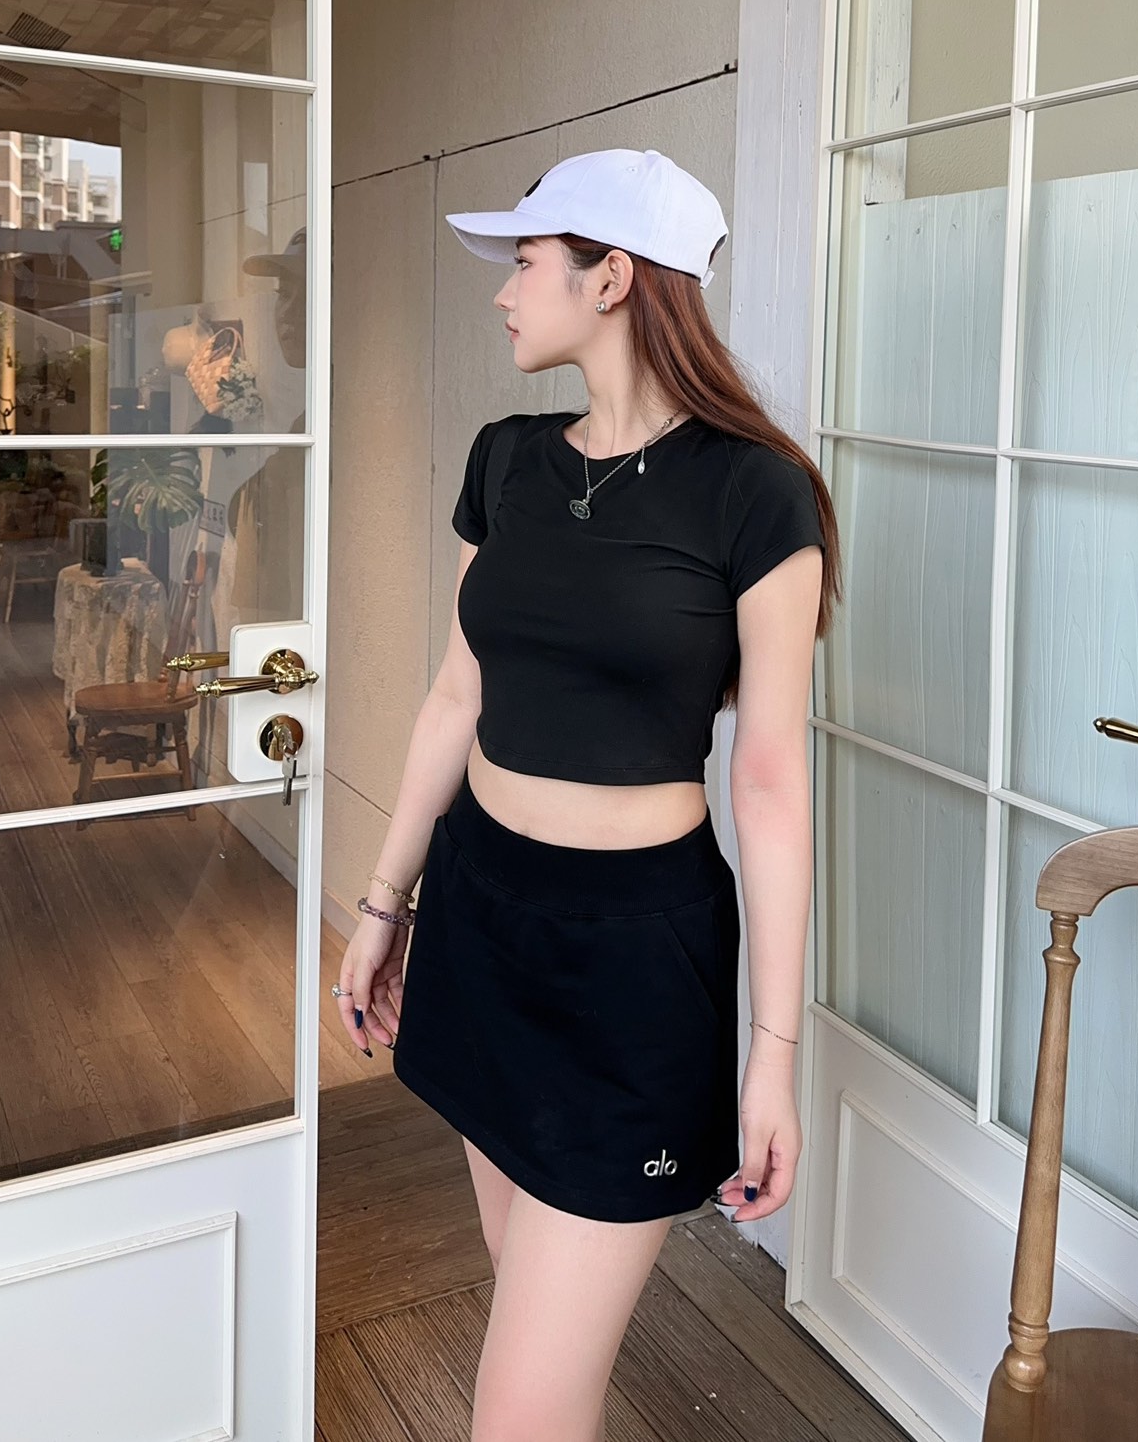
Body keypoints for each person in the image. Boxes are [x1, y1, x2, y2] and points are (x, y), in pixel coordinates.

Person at [335, 147, 843, 1436]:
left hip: (631, 964)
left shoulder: (758, 494)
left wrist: (772, 1059)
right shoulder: (506, 462)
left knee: (519, 1407)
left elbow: (770, 782)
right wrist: (386, 904)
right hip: (479, 914)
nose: (505, 293)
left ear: (610, 278)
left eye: (525, 264)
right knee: (533, 1330)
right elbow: (456, 695)